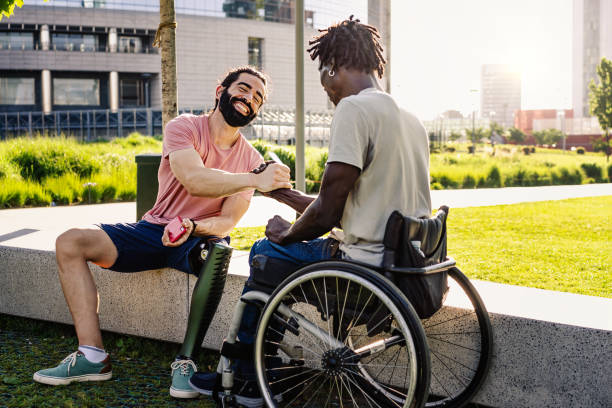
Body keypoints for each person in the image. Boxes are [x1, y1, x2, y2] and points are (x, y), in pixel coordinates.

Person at [189, 16, 432, 406]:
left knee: (265, 253)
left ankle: (251, 378)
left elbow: (325, 215)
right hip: (404, 263)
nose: (327, 91)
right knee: (282, 249)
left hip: (362, 267)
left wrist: (285, 234)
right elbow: (341, 208)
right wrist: (281, 194)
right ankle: (270, 361)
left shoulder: (354, 109)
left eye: (324, 78)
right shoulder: (410, 119)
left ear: (331, 67)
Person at [32, 66, 292, 399]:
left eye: (258, 97)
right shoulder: (183, 127)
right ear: (220, 91)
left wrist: (194, 226)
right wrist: (255, 179)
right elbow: (193, 177)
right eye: (243, 89)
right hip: (154, 230)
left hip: (199, 239)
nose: (249, 99)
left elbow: (228, 221)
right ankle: (92, 356)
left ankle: (185, 362)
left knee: (220, 249)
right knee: (70, 241)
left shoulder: (250, 158)